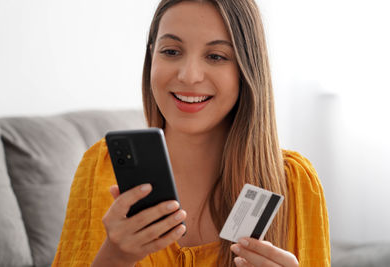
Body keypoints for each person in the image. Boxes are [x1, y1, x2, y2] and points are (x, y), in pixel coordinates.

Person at [52, 0, 330, 266]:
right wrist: (114, 258)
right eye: (171, 51)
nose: (189, 75)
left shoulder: (294, 182)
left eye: (216, 56)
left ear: (247, 69)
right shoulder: (102, 167)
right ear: (151, 57)